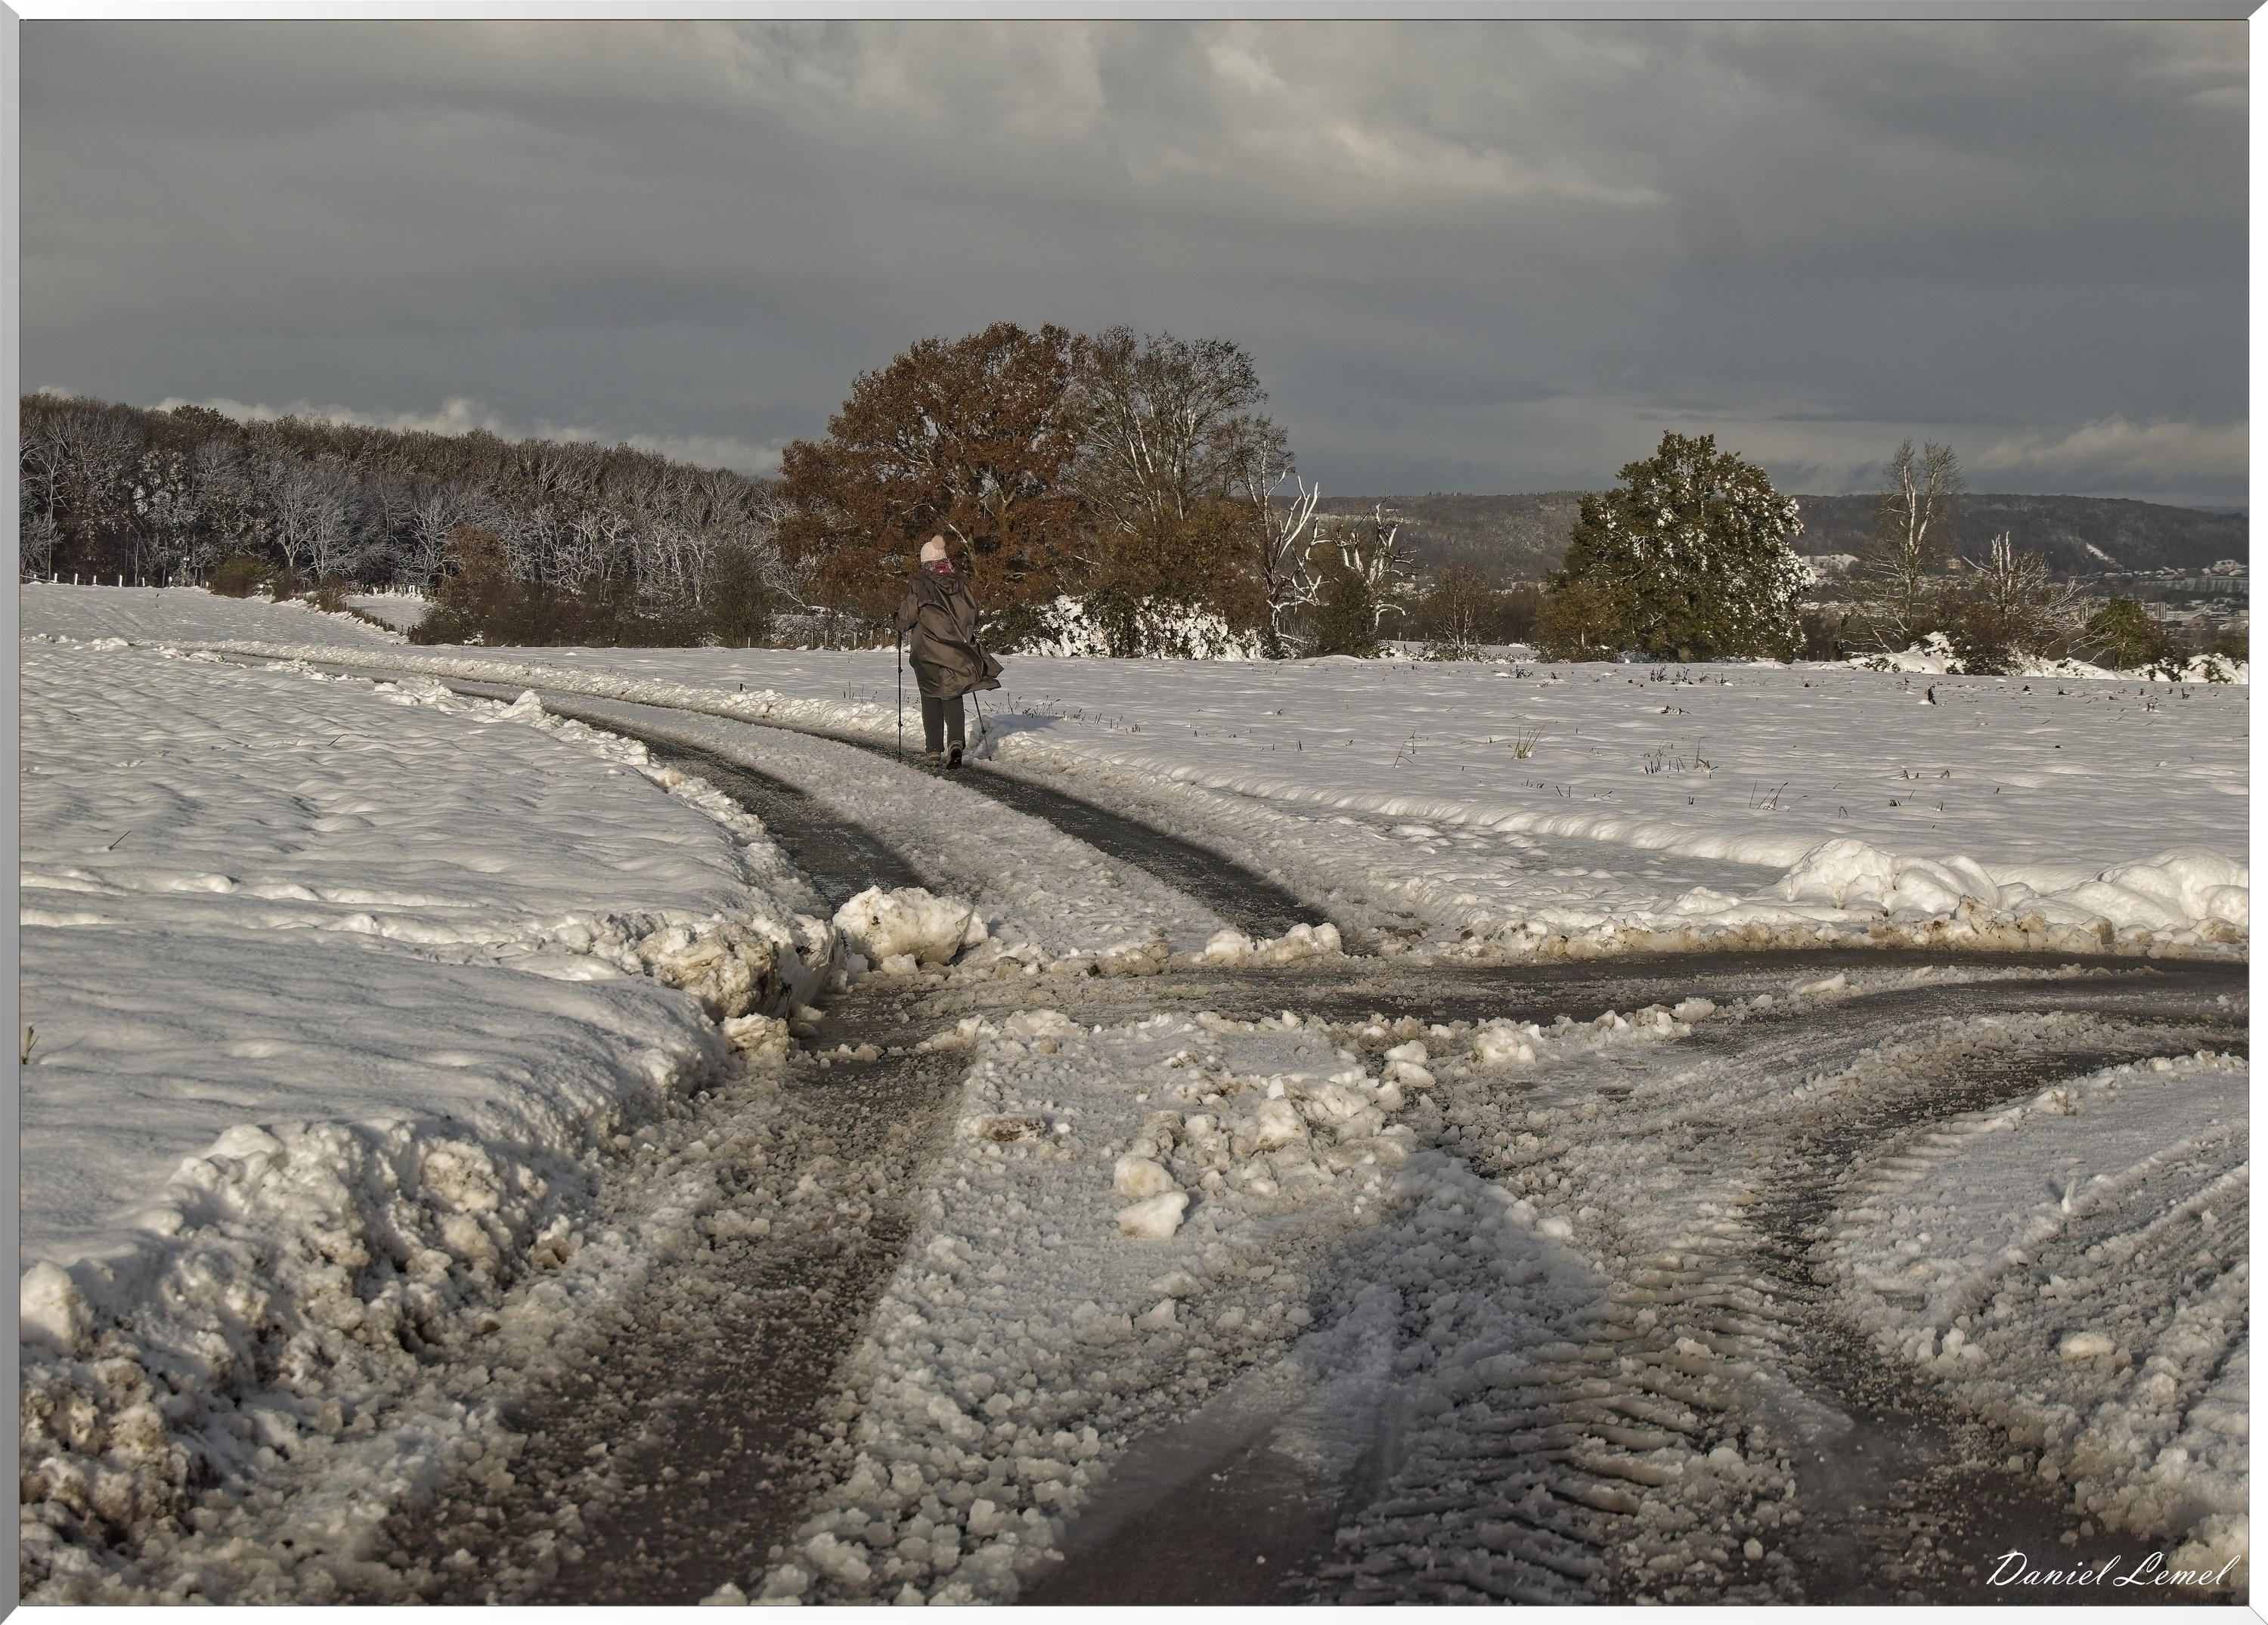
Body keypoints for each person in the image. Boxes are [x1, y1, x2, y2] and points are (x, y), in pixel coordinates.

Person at [895, 535, 1002, 768]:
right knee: (952, 694)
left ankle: (933, 750)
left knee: (930, 696)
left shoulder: (919, 583)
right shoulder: (959, 582)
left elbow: (908, 615)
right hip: (955, 648)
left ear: (925, 561)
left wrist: (900, 622)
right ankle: (956, 742)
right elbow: (971, 613)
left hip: (927, 648)